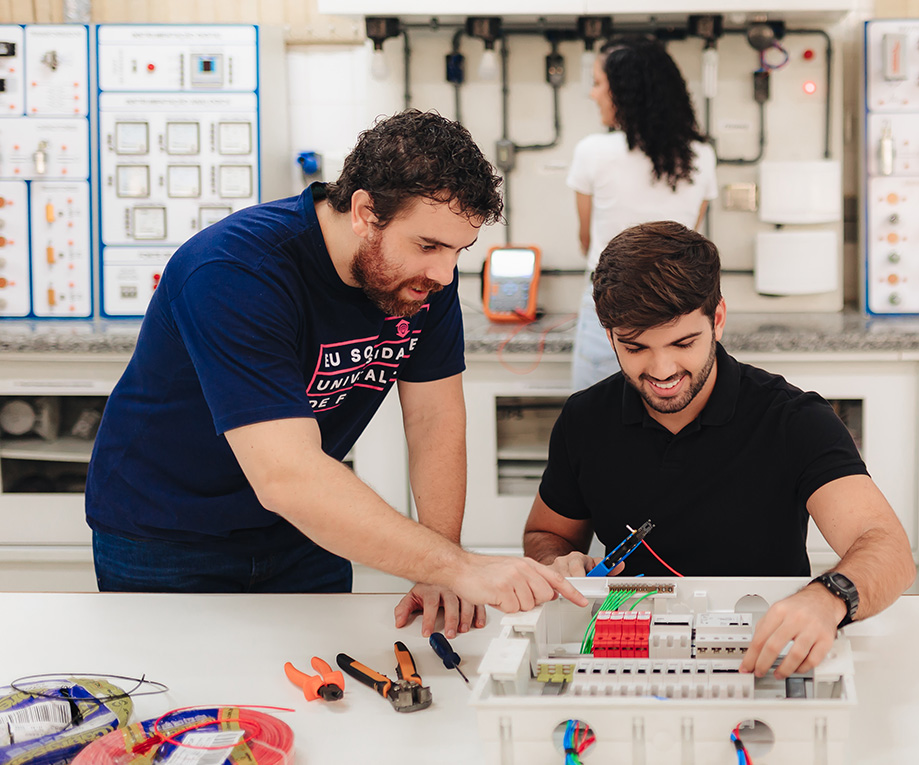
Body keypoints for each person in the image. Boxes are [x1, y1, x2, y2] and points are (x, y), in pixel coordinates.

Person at [85, 111, 586, 633]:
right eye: (428, 245)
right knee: (186, 704)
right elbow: (286, 475)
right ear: (365, 212)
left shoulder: (422, 285)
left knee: (322, 696)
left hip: (307, 531)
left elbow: (434, 420)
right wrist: (458, 568)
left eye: (459, 250)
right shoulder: (235, 272)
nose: (444, 273)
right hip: (167, 535)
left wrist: (441, 561)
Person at [523, 221, 917, 679]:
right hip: (632, 661)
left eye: (683, 342)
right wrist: (557, 561)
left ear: (719, 319)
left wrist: (827, 597)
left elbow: (888, 549)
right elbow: (545, 536)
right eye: (635, 347)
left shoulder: (793, 420)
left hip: (763, 660)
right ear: (609, 336)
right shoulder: (585, 420)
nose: (662, 369)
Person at [567, 35, 717, 390]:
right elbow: (685, 242)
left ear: (625, 91)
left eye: (598, 83)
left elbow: (586, 239)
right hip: (679, 314)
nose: (593, 94)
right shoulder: (701, 156)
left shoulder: (592, 152)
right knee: (676, 425)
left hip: (612, 311)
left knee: (597, 428)